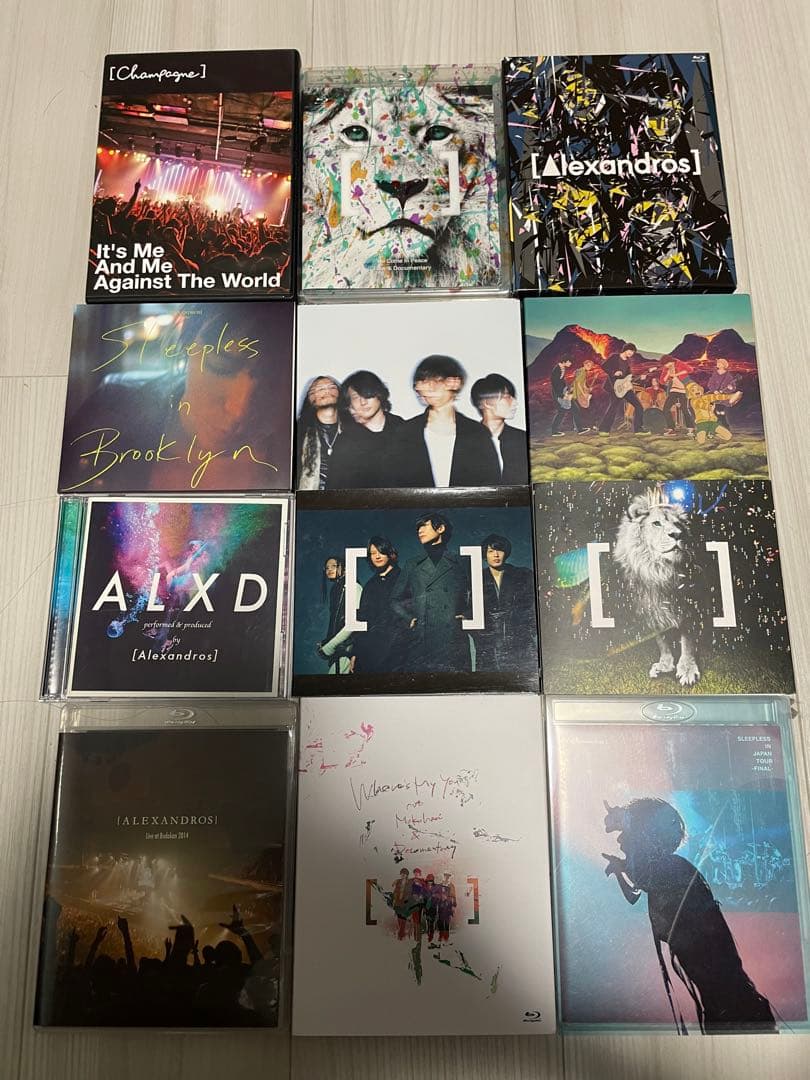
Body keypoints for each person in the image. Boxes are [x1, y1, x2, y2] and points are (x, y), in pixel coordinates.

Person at [602, 798, 776, 1033]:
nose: (620, 842)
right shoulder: (668, 869)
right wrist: (621, 868)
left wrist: (626, 829)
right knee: (720, 999)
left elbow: (644, 878)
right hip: (714, 987)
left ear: (646, 837)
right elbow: (640, 885)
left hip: (722, 989)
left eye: (627, 836)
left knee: (725, 999)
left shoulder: (673, 868)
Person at [393, 356, 500, 486]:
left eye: (437, 380)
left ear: (455, 383)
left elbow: (491, 483)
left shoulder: (477, 433)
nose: (430, 387)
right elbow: (394, 482)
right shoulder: (405, 432)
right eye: (424, 381)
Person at [390, 513, 472, 673]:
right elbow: (394, 600)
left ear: (440, 528)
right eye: (418, 528)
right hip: (421, 639)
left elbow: (477, 595)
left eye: (424, 526)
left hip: (452, 640)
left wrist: (467, 614)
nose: (419, 531)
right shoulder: (412, 564)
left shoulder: (461, 562)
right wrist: (409, 619)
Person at [326, 370, 404, 489]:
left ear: (379, 394)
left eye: (367, 394)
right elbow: (334, 489)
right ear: (349, 404)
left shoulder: (403, 429)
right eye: (356, 397)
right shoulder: (346, 441)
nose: (363, 402)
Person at [473, 534, 537, 673]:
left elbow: (531, 606)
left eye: (500, 550)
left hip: (519, 642)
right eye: (491, 551)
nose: (496, 555)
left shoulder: (523, 574)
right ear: (485, 555)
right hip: (488, 645)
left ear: (506, 553)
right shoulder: (477, 577)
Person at [352, 535, 402, 673]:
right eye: (373, 553)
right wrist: (355, 653)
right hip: (370, 653)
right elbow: (362, 620)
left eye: (381, 551)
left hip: (399, 653)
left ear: (390, 553)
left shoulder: (405, 578)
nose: (377, 556)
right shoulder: (370, 585)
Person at [469, 373, 529, 483]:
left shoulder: (522, 439)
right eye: (507, 397)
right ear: (487, 403)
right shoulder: (467, 441)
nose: (515, 403)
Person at [297, 375, 344, 490]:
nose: (327, 391)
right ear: (310, 398)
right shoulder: (297, 432)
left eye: (332, 387)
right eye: (320, 389)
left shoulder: (354, 430)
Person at [317, 554, 361, 674]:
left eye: (334, 566)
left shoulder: (353, 587)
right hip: (339, 651)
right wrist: (327, 641)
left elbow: (354, 623)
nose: (329, 569)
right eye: (327, 568)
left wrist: (330, 646)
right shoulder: (336, 590)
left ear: (345, 569)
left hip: (348, 650)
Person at [596, 343, 649, 435]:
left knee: (638, 406)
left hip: (624, 387)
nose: (631, 353)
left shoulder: (627, 362)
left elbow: (629, 377)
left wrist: (641, 377)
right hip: (614, 387)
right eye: (630, 351)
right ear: (625, 349)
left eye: (633, 352)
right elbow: (604, 366)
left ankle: (638, 430)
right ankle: (603, 430)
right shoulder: (615, 357)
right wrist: (614, 372)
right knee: (613, 407)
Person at [685, 382, 742, 446]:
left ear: (701, 390)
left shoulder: (706, 397)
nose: (696, 391)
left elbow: (717, 397)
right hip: (702, 423)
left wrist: (730, 396)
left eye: (698, 389)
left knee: (728, 436)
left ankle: (714, 434)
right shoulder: (693, 401)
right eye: (693, 390)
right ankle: (698, 436)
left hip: (712, 423)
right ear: (690, 393)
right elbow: (701, 405)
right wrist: (710, 406)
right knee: (701, 442)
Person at [660, 357, 696, 434]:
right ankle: (671, 428)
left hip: (683, 390)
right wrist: (668, 374)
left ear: (670, 361)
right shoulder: (666, 368)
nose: (665, 366)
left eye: (666, 364)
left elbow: (690, 369)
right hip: (673, 390)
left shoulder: (679, 363)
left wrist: (676, 374)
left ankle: (691, 428)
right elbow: (662, 381)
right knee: (666, 409)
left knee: (684, 409)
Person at [705, 357, 740, 433]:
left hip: (724, 397)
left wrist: (730, 388)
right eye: (718, 363)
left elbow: (733, 387)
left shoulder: (728, 376)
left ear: (724, 365)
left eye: (720, 363)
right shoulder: (714, 374)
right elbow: (710, 384)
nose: (718, 364)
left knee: (721, 411)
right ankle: (723, 427)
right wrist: (714, 391)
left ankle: (723, 427)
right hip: (715, 396)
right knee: (717, 412)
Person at [550, 358, 576, 436]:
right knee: (561, 411)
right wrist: (561, 395)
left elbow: (561, 381)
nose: (570, 364)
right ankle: (554, 431)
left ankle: (578, 427)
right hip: (558, 394)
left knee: (567, 410)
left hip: (563, 392)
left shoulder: (561, 367)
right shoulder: (557, 369)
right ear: (566, 361)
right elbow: (554, 383)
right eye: (570, 362)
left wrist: (567, 389)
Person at [435, 872, 457, 945]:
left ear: (449, 877)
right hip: (441, 905)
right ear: (443, 876)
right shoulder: (439, 885)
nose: (447, 877)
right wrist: (440, 897)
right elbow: (436, 894)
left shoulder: (451, 886)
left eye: (448, 876)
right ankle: (441, 935)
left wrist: (454, 905)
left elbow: (454, 896)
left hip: (448, 905)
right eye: (445, 876)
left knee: (447, 921)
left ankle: (446, 936)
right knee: (440, 921)